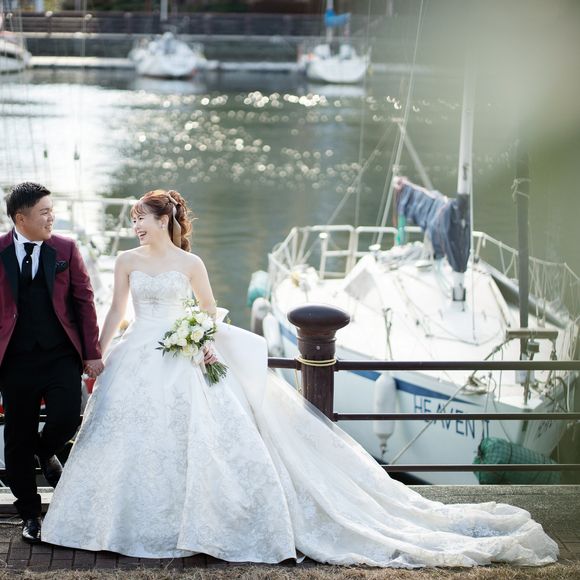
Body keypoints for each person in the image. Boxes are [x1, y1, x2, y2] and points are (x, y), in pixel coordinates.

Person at [42, 189, 558, 567]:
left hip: (183, 355)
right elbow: (116, 310)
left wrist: (198, 339)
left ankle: (197, 522)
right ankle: (117, 521)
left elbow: (206, 310)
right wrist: (97, 354)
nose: (136, 225)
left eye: (142, 218)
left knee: (199, 438)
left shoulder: (191, 262)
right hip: (139, 353)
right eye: (134, 219)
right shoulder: (126, 260)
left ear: (163, 219)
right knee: (128, 434)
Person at [0, 182, 104, 544]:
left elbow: (84, 301)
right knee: (17, 435)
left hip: (60, 354)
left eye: (52, 211)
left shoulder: (65, 248)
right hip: (14, 360)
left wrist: (92, 352)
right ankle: (30, 515)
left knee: (66, 417)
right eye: (44, 212)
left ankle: (44, 452)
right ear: (21, 218)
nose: (51, 218)